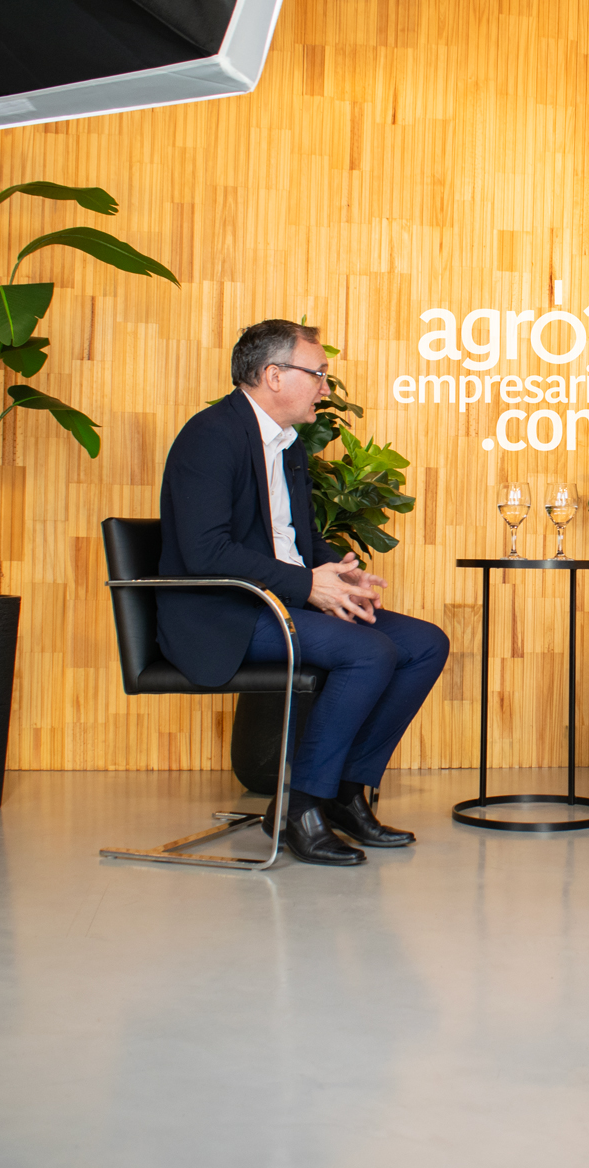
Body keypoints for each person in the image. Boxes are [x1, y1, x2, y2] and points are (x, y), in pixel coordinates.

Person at [156, 319, 448, 867]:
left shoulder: (286, 445)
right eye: (317, 373)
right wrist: (307, 584)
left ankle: (344, 794)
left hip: (280, 599)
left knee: (425, 644)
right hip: (225, 614)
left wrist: (334, 571)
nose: (325, 387)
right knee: (368, 651)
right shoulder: (211, 436)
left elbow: (296, 540)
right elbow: (206, 552)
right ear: (273, 375)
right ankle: (299, 805)